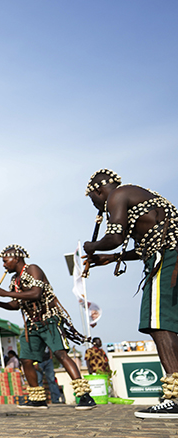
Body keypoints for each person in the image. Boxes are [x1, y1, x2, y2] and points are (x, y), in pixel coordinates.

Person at [83, 169, 178, 418]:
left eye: (93, 200)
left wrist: (90, 246)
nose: (97, 207)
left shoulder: (118, 195)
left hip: (168, 260)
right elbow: (143, 245)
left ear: (98, 190)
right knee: (167, 322)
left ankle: (176, 396)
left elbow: (114, 236)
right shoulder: (139, 196)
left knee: (159, 323)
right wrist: (113, 258)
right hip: (169, 258)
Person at [0, 244, 96, 410]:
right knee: (26, 359)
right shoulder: (14, 280)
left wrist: (6, 293)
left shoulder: (33, 269)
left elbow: (36, 293)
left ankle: (85, 396)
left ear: (15, 258)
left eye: (5, 260)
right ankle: (37, 398)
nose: (3, 264)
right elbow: (16, 304)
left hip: (49, 319)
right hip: (32, 325)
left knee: (61, 354)